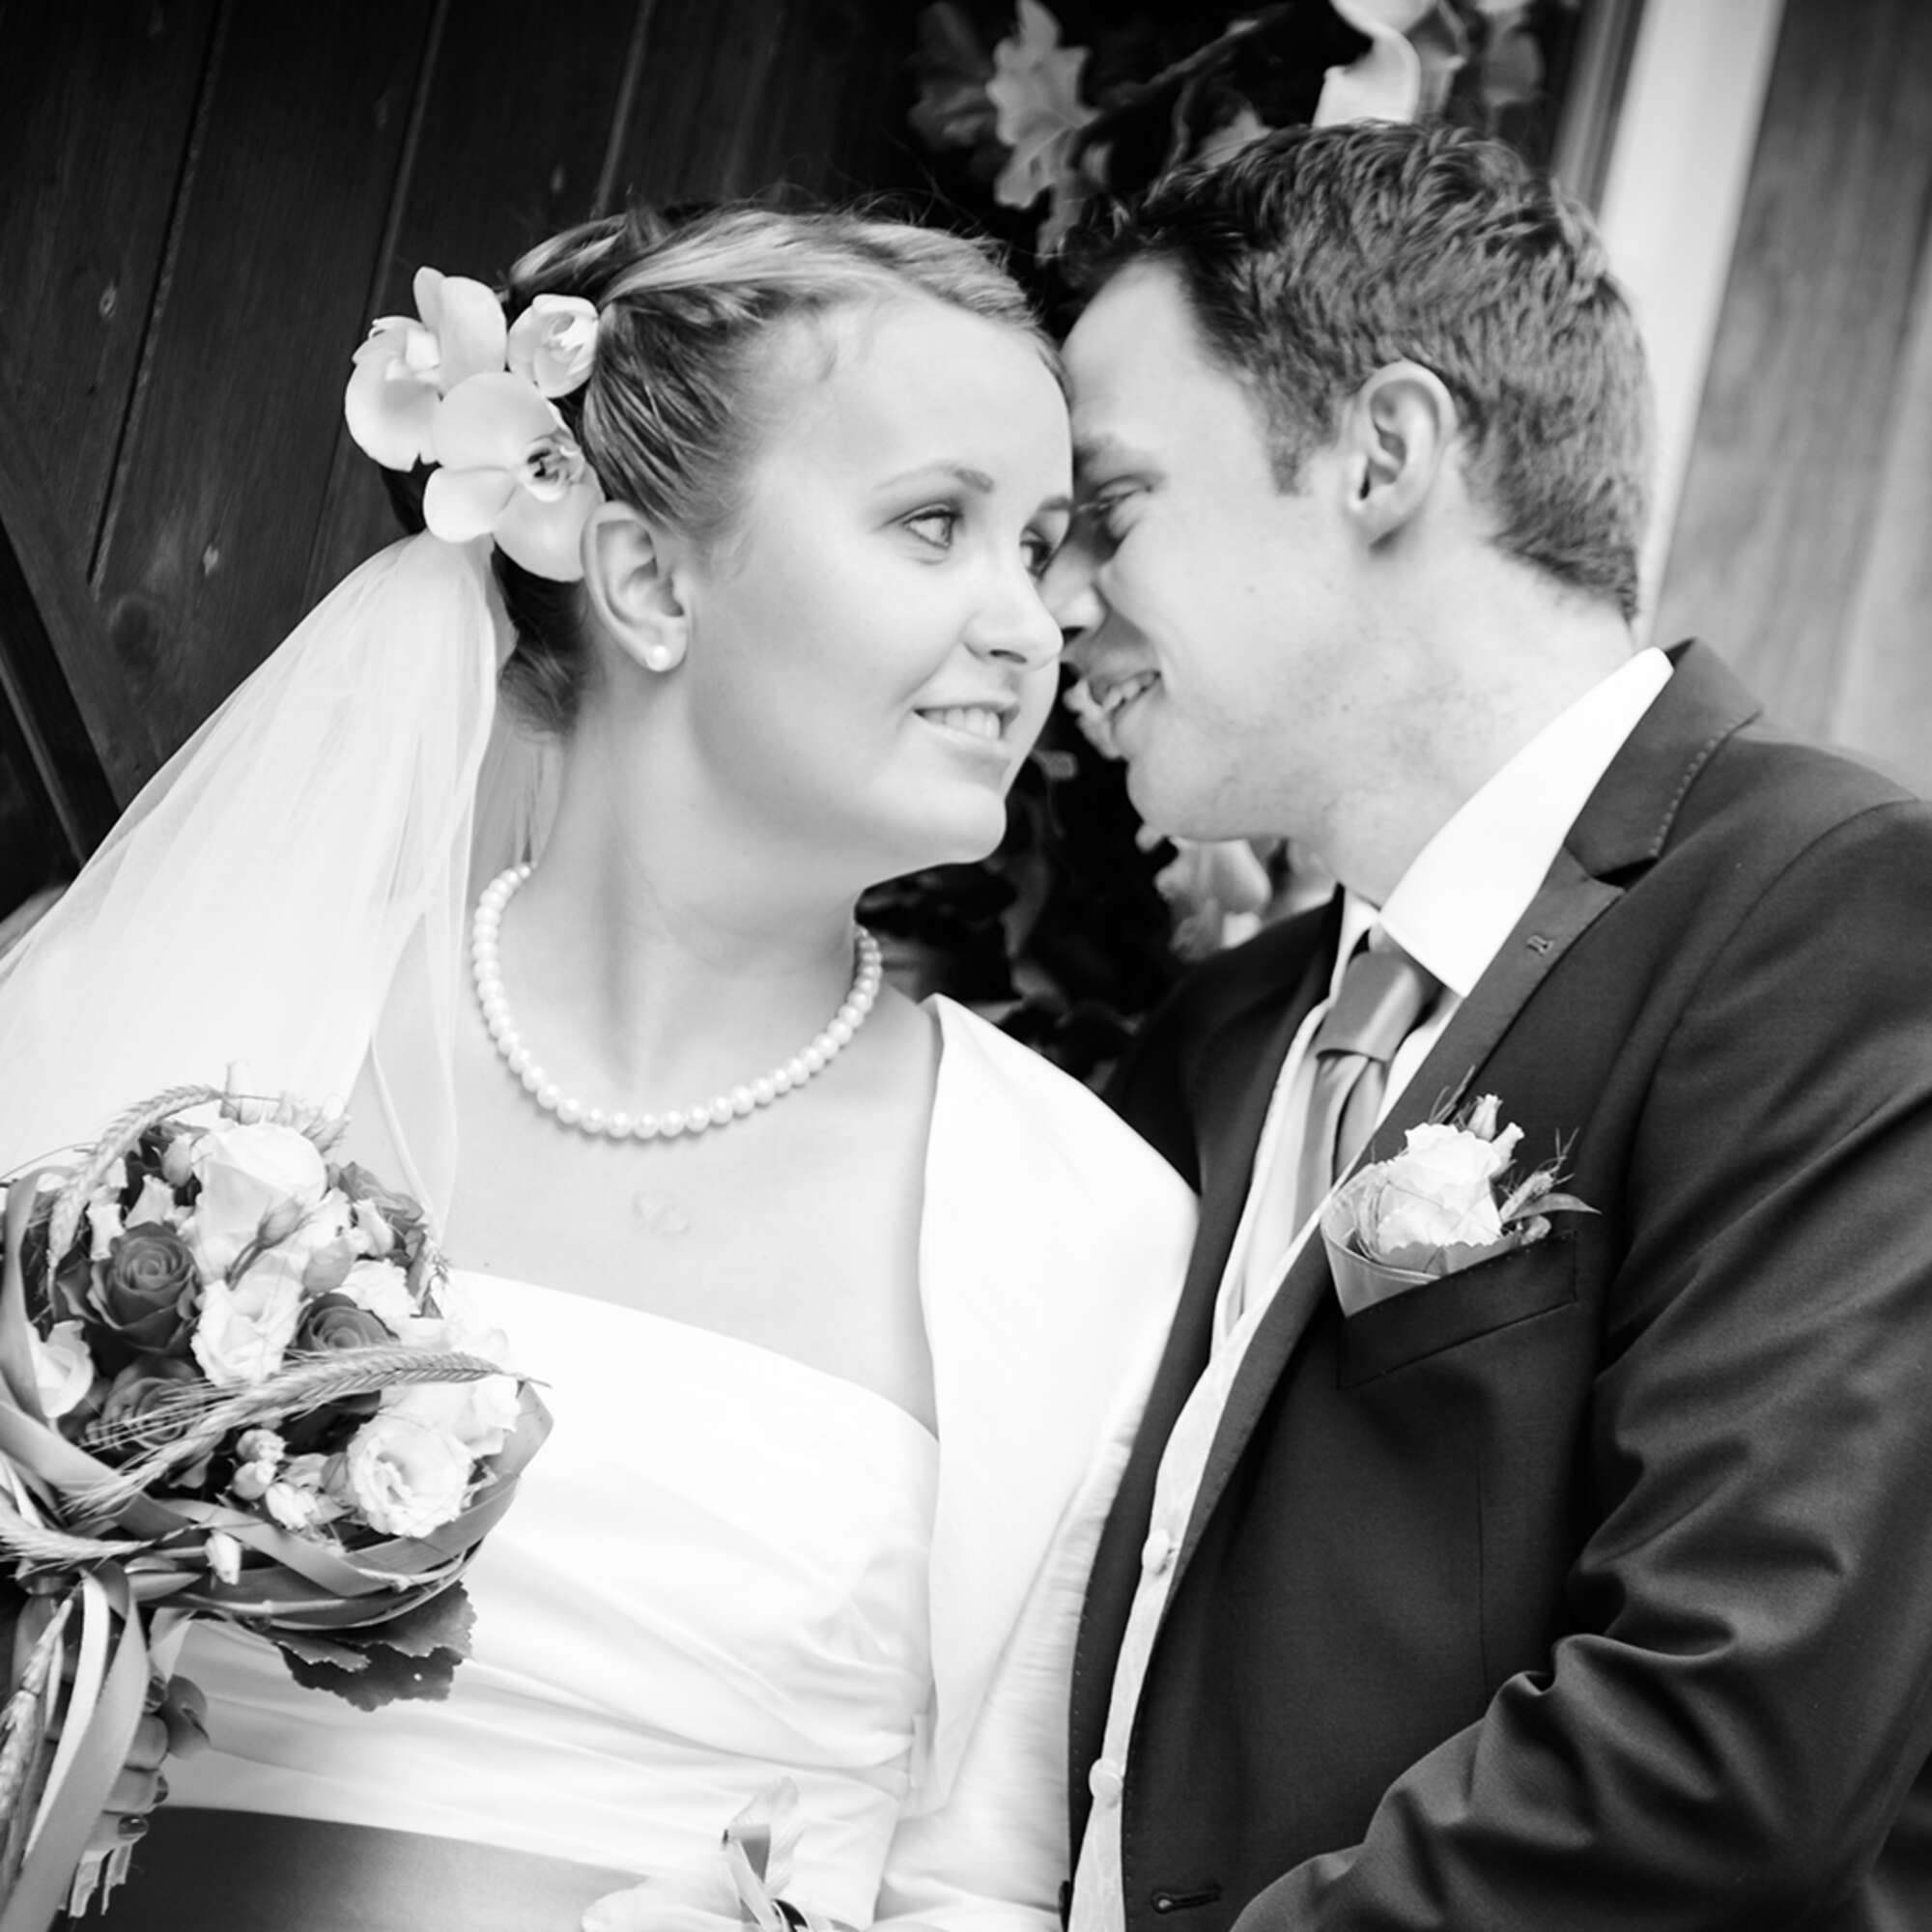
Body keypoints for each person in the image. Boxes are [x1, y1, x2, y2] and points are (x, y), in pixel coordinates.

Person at [0, 203, 1195, 1928]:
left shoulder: (1081, 1220)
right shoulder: (221, 1032)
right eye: (936, 524)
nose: (1028, 624)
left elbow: (989, 1878)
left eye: (1043, 547)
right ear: (647, 580)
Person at [1043, 122, 1932, 1930]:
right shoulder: (1216, 1040)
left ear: (1381, 455)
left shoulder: (1831, 917)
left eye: (1112, 510)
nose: (1058, 603)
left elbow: (1727, 1741)